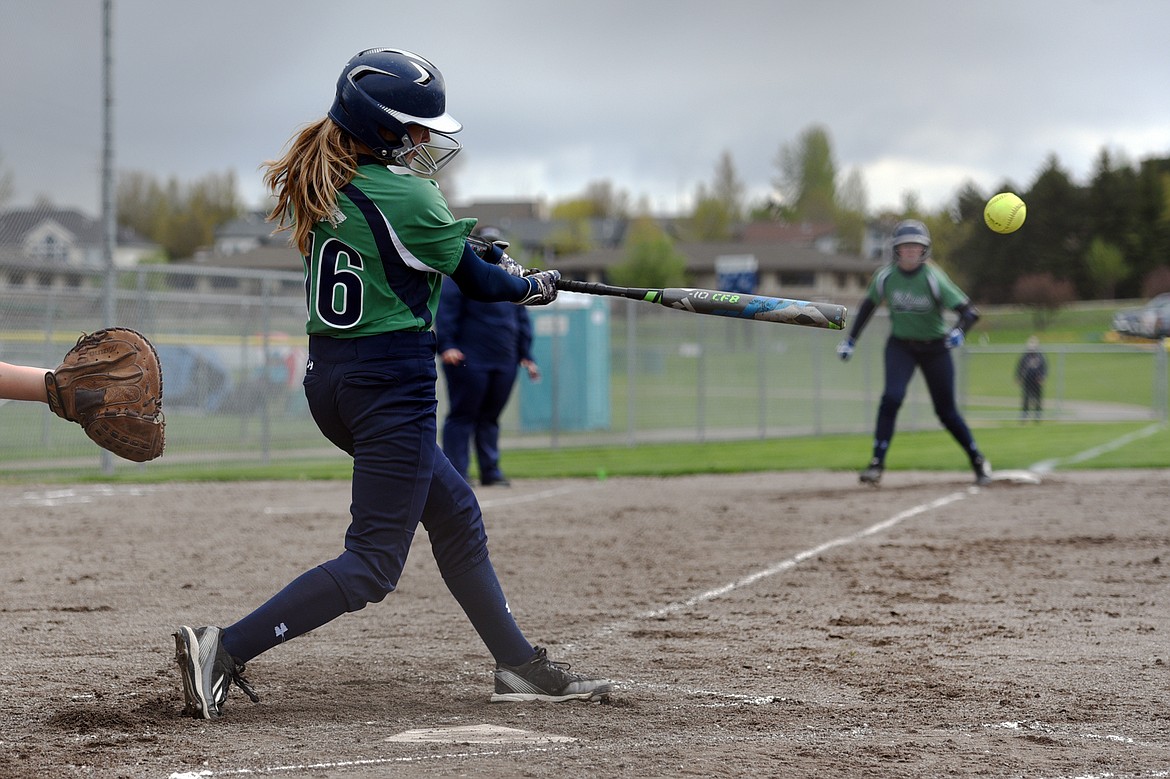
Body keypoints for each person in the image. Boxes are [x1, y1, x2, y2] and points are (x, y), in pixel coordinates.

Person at [172, 47, 613, 720]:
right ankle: (223, 647)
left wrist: (475, 254)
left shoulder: (329, 180)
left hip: (335, 384)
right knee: (374, 564)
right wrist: (532, 286)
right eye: (413, 127)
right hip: (391, 387)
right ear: (378, 127)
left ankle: (518, 664)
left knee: (457, 514)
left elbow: (429, 251)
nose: (425, 140)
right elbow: (481, 282)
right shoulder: (408, 193)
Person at [836, 219, 991, 487]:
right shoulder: (886, 277)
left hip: (935, 347)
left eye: (916, 246)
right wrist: (851, 340)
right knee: (892, 398)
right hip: (901, 346)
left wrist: (959, 331)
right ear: (896, 250)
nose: (910, 251)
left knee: (946, 411)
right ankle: (876, 463)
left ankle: (977, 459)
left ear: (924, 250)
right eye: (905, 246)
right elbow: (868, 306)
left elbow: (969, 312)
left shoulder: (933, 277)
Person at [437, 226, 539, 487]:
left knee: (490, 418)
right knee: (462, 416)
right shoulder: (459, 278)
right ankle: (457, 474)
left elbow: (521, 318)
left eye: (498, 248)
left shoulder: (510, 280)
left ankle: (490, 472)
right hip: (468, 359)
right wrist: (447, 345)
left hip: (503, 359)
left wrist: (525, 354)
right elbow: (446, 312)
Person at [1015, 335, 1047, 422]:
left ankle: (1038, 415)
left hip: (1037, 380)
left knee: (1038, 398)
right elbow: (1020, 367)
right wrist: (1018, 377)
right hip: (1027, 380)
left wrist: (1043, 377)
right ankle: (1024, 415)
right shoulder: (1025, 356)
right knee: (1026, 398)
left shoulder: (1040, 356)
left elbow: (1044, 368)